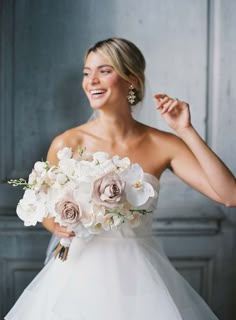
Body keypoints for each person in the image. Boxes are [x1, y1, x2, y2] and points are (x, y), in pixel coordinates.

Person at [5, 37, 236, 320]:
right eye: (87, 73)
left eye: (104, 70)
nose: (91, 81)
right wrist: (58, 226)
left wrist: (186, 130)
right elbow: (44, 210)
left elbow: (230, 196)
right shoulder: (67, 142)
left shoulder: (162, 143)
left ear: (132, 80)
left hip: (141, 279)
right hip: (76, 280)